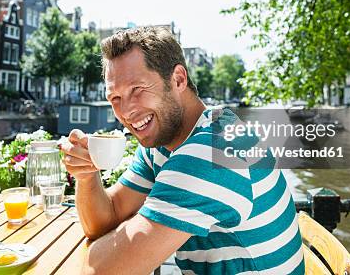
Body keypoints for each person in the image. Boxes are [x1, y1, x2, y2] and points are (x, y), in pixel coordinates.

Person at [61, 27, 304, 274]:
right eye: (115, 98)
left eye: (138, 90)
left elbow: (105, 270)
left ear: (178, 79)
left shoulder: (211, 150)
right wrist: (86, 174)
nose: (126, 111)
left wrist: (134, 234)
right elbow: (108, 217)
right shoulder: (162, 144)